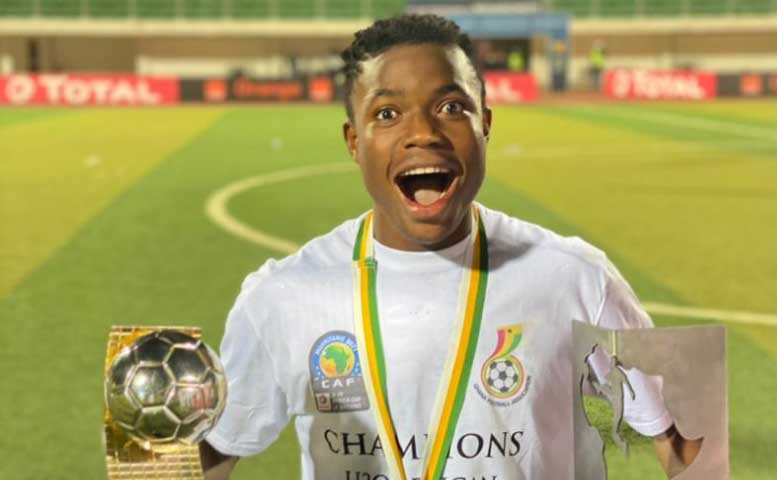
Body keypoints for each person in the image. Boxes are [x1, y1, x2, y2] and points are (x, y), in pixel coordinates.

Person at [200, 14, 701, 480]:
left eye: (451, 107)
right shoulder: (282, 295)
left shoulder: (578, 278)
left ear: (486, 122)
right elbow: (217, 449)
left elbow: (680, 441)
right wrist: (150, 438)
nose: (423, 133)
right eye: (388, 112)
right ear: (354, 141)